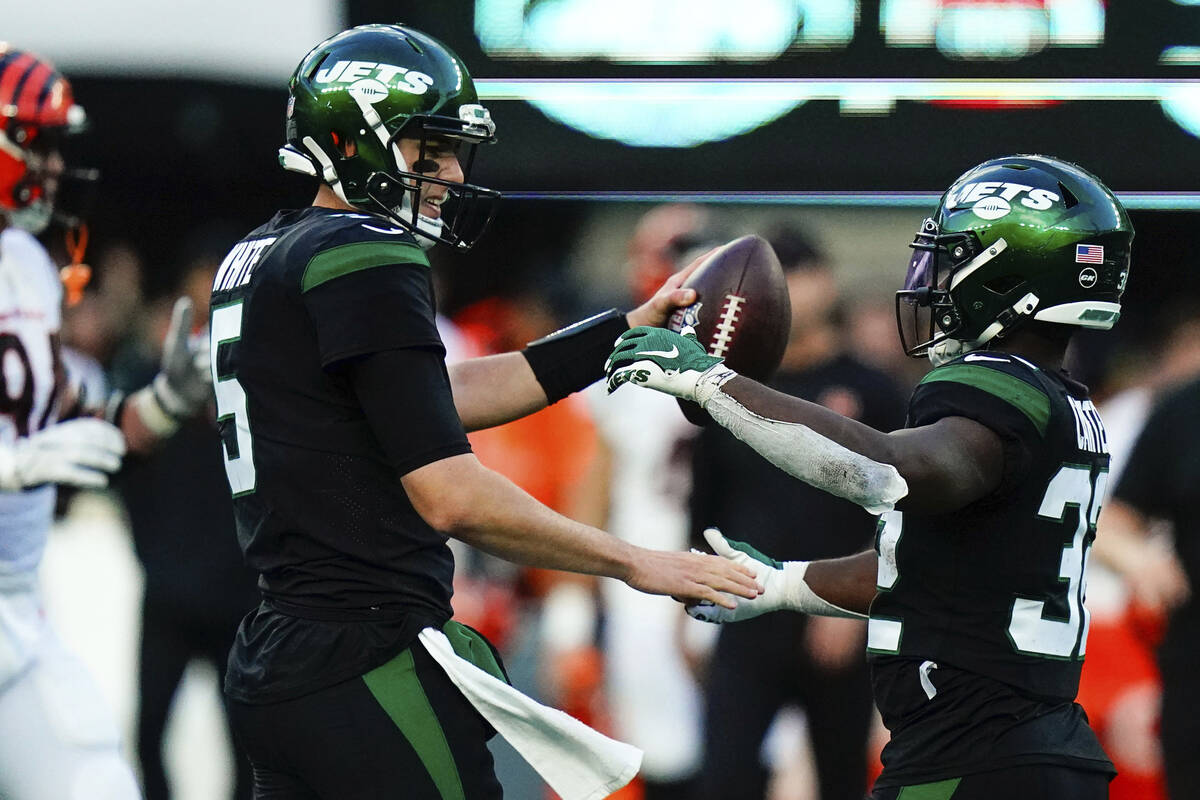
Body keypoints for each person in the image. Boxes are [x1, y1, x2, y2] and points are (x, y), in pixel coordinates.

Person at [211, 24, 757, 800]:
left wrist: (618, 335)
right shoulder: (363, 252)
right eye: (430, 151)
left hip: (282, 655)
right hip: (368, 657)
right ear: (352, 138)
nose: (452, 174)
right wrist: (638, 561)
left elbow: (432, 397)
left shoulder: (262, 254)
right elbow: (452, 496)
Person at [606, 154, 1134, 800]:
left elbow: (884, 472)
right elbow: (927, 572)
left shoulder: (994, 388)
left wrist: (711, 382)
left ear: (1009, 275)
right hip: (1031, 751)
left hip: (974, 758)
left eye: (954, 258)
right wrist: (782, 584)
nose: (935, 278)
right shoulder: (1065, 404)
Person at [0, 45, 211, 799]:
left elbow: (75, 423)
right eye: (37, 142)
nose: (54, 165)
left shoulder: (26, 265)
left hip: (16, 610)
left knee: (98, 781)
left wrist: (165, 404)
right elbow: (28, 449)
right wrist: (11, 465)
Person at [689, 223, 906, 800]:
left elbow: (903, 508)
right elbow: (707, 501)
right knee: (724, 778)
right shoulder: (730, 388)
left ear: (825, 281)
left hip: (836, 615)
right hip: (745, 607)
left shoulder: (873, 389)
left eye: (794, 273)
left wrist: (858, 602)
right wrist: (687, 602)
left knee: (841, 779)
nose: (782, 290)